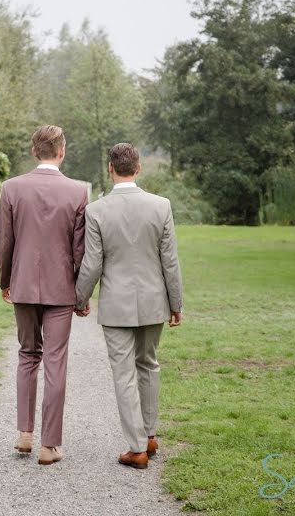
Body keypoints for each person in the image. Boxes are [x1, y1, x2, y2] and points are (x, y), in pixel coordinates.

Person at [75, 142, 183, 469]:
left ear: (111, 169)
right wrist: (175, 304)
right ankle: (149, 436)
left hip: (116, 305)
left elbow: (92, 264)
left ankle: (137, 447)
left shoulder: (96, 210)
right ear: (138, 168)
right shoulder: (161, 206)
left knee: (124, 374)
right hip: (154, 301)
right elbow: (170, 262)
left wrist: (80, 298)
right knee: (148, 364)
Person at [0, 125, 89, 465]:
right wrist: (82, 294)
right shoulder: (78, 192)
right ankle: (49, 446)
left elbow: (5, 244)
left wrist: (5, 281)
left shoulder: (11, 188)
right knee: (55, 361)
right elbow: (80, 251)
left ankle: (24, 433)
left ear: (35, 151)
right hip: (62, 289)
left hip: (22, 285)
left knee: (27, 354)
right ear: (62, 151)